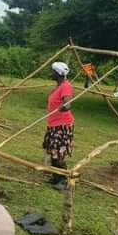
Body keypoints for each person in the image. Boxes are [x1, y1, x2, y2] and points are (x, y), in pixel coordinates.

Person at [43, 62, 74, 190]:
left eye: (52, 71)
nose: (51, 73)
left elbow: (68, 103)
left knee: (58, 153)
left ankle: (63, 179)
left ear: (58, 74)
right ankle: (56, 176)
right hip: (53, 124)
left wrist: (64, 107)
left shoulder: (66, 86)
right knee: (52, 151)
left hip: (62, 126)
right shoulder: (59, 85)